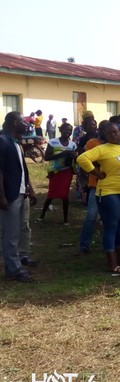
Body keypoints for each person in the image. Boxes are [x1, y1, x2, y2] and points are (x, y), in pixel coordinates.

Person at [76, 123, 120, 274]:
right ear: (105, 135)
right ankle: (112, 263)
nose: (114, 134)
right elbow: (82, 159)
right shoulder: (102, 149)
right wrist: (96, 174)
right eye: (110, 133)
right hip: (109, 193)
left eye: (116, 132)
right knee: (111, 226)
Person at [0, 112, 37, 282]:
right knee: (11, 233)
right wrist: (2, 196)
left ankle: (17, 262)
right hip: (10, 194)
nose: (27, 124)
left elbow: (22, 169)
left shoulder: (16, 142)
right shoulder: (3, 141)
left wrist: (29, 187)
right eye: (24, 121)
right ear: (15, 123)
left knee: (22, 227)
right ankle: (14, 269)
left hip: (21, 192)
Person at [77, 120, 108, 255]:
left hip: (111, 187)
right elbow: (85, 162)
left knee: (108, 218)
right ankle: (84, 245)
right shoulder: (91, 143)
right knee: (91, 217)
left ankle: (109, 245)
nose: (103, 131)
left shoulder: (116, 144)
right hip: (95, 185)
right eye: (102, 129)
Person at [38, 123, 77, 224]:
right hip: (55, 172)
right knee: (51, 194)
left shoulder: (73, 145)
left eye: (70, 130)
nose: (68, 132)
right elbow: (47, 157)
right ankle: (42, 215)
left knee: (65, 195)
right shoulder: (53, 142)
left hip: (67, 172)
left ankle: (65, 219)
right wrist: (63, 154)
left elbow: (76, 159)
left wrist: (74, 156)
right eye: (66, 130)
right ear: (60, 130)